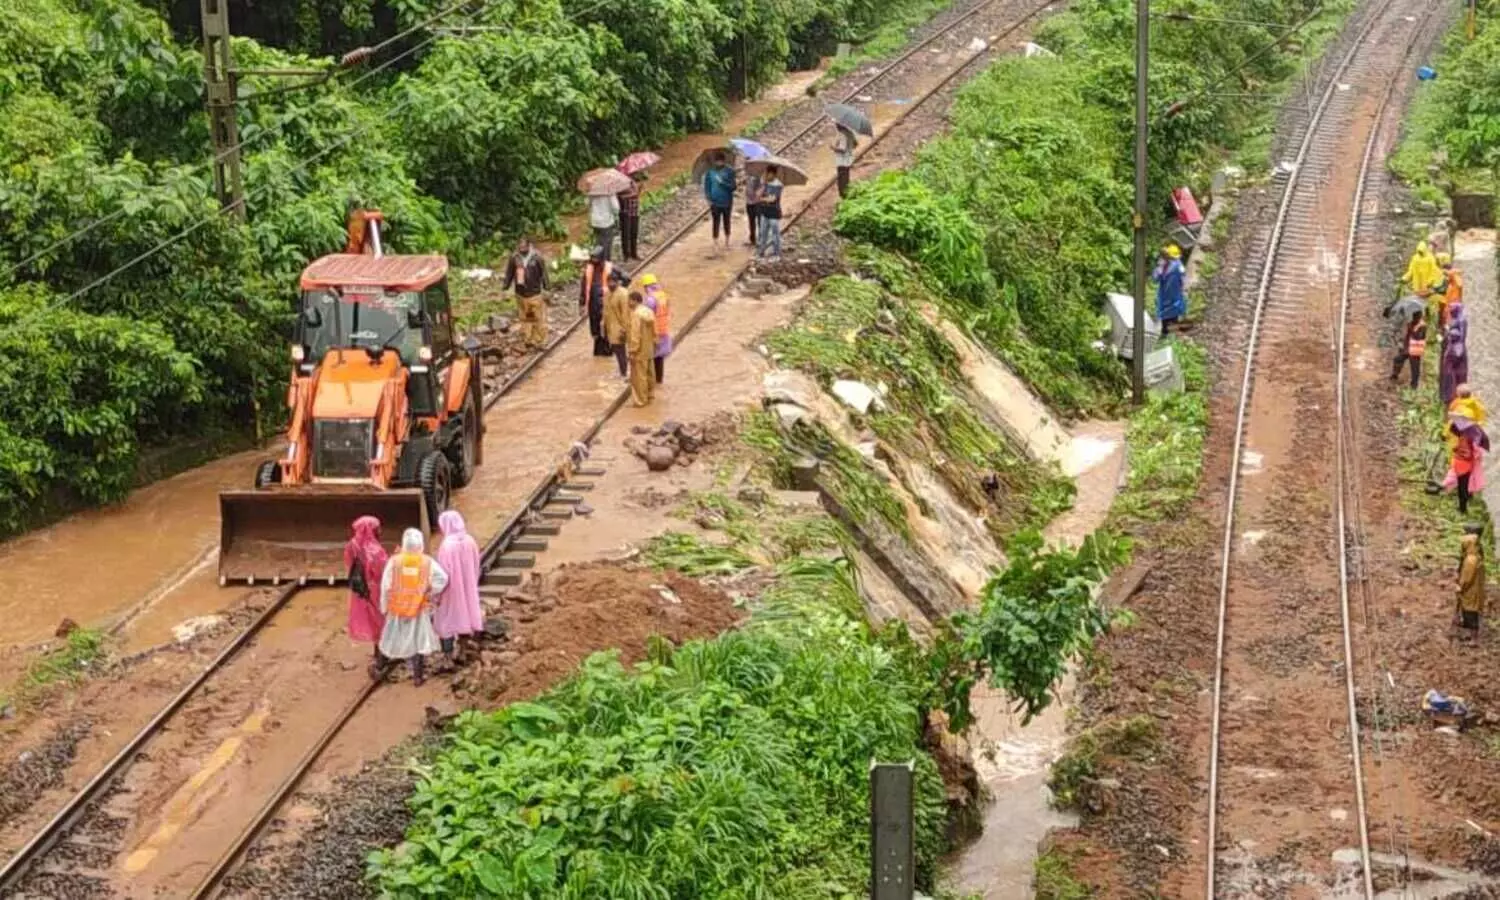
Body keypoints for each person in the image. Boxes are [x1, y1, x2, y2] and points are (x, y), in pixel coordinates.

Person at [378, 528, 448, 686]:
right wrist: (431, 591)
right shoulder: (426, 562)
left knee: (390, 637)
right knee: (418, 641)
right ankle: (417, 677)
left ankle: (379, 665)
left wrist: (383, 606)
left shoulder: (394, 562)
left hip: (397, 608)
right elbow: (442, 578)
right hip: (418, 608)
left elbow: (385, 585)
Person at [433, 511, 482, 666]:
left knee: (445, 621)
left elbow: (443, 572)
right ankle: (462, 649)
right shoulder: (470, 541)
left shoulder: (446, 546)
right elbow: (477, 563)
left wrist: (436, 593)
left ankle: (447, 657)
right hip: (468, 586)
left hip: (451, 591)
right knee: (466, 615)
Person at [343, 515, 389, 679]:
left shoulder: (351, 546)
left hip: (360, 591)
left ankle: (378, 652)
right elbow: (383, 572)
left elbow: (348, 564)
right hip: (375, 590)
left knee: (370, 620)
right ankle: (381, 657)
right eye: (378, 528)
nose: (380, 531)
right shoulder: (376, 551)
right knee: (381, 621)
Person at [503, 237, 550, 349]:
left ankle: (542, 340)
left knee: (538, 317)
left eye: (524, 247)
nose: (522, 249)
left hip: (534, 293)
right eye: (520, 247)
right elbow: (509, 272)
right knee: (526, 317)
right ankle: (528, 339)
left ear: (529, 246)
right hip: (521, 293)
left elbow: (543, 273)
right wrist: (506, 285)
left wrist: (547, 286)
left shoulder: (537, 257)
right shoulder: (514, 258)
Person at [580, 247, 614, 357]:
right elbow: (583, 288)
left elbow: (626, 279)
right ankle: (598, 351)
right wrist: (581, 304)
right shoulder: (588, 270)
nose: (594, 260)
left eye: (596, 258)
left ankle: (607, 350)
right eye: (593, 258)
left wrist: (615, 291)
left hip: (606, 304)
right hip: (593, 305)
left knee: (606, 328)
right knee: (595, 329)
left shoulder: (610, 268)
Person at [627, 290, 657, 406]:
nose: (628, 303)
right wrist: (654, 343)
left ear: (634, 301)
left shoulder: (636, 315)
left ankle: (641, 400)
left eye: (629, 301)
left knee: (639, 377)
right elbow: (655, 331)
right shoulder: (649, 311)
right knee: (650, 373)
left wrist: (633, 350)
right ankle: (650, 395)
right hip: (649, 348)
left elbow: (635, 335)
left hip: (639, 350)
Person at [641, 273, 671, 384]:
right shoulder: (663, 295)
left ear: (646, 286)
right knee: (660, 357)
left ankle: (653, 381)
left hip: (654, 331)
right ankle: (659, 380)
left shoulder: (650, 300)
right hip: (664, 329)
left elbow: (646, 315)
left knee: (652, 356)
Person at [704, 153, 737, 251]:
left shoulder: (729, 171)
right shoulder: (710, 172)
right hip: (715, 202)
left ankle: (727, 241)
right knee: (716, 221)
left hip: (727, 201)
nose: (719, 163)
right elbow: (707, 187)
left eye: (720, 161)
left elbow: (733, 187)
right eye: (717, 161)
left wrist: (722, 183)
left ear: (723, 161)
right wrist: (708, 199)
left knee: (727, 221)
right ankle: (715, 242)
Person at [1456, 528, 1486, 636]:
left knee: (1470, 612)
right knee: (1471, 611)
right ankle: (1470, 634)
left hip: (1470, 590)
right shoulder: (1476, 557)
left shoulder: (1470, 560)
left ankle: (1473, 637)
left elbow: (1467, 577)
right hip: (1475, 589)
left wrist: (1461, 586)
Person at [604, 268, 632, 379]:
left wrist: (625, 329)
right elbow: (605, 311)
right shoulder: (607, 294)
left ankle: (624, 373)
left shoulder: (623, 294)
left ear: (618, 282)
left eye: (613, 282)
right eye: (609, 282)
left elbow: (625, 313)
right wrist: (604, 326)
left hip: (619, 328)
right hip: (611, 327)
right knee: (617, 351)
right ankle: (623, 371)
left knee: (620, 351)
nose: (611, 284)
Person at [1152, 244, 1187, 335]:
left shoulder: (1164, 267)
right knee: (1174, 315)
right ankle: (1171, 333)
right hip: (1175, 296)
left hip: (1166, 296)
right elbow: (1183, 278)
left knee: (1166, 318)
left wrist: (1159, 267)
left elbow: (1155, 279)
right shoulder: (1179, 265)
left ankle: (1166, 334)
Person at [1389, 309, 1426, 389]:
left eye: (1415, 317)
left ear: (1418, 317)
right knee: (1397, 359)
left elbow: (1419, 337)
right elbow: (1407, 335)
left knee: (1415, 369)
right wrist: (1403, 345)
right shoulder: (1411, 323)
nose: (1413, 319)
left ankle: (1414, 385)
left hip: (1415, 350)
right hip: (1408, 348)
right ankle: (1395, 374)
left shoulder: (1422, 325)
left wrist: (1412, 329)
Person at [1441, 301, 1469, 406]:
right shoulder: (1457, 319)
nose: (1450, 312)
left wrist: (1450, 332)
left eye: (1452, 310)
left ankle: (1454, 396)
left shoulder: (1461, 321)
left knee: (1454, 374)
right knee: (1451, 374)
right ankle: (1450, 395)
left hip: (1455, 351)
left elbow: (1461, 336)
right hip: (1453, 349)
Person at [757, 165, 784, 261]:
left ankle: (777, 253)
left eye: (769, 174)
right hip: (765, 211)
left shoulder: (778, 185)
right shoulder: (765, 184)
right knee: (763, 233)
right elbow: (757, 195)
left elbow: (772, 199)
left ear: (773, 174)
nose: (767, 175)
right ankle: (760, 253)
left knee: (775, 234)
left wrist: (763, 199)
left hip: (774, 212)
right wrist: (763, 185)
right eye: (766, 174)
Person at [619, 173, 644, 262]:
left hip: (634, 211)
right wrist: (634, 194)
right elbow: (620, 197)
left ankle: (634, 253)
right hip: (626, 212)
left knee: (634, 233)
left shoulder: (633, 182)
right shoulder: (622, 185)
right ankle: (626, 255)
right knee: (626, 234)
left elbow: (636, 195)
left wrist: (639, 190)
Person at [589, 191, 620, 261]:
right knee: (606, 245)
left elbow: (588, 204)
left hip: (595, 221)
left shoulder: (593, 191)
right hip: (606, 222)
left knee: (598, 243)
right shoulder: (609, 191)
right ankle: (605, 263)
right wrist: (615, 214)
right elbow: (616, 208)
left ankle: (597, 262)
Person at [1438, 252, 1463, 327]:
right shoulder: (1451, 282)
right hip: (1451, 304)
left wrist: (1449, 274)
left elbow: (1459, 285)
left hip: (1453, 305)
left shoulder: (1454, 278)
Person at [833, 125, 857, 198]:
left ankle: (844, 196)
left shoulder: (842, 135)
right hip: (848, 159)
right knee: (846, 178)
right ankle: (847, 193)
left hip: (842, 161)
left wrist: (833, 148)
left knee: (842, 181)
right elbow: (855, 144)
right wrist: (849, 148)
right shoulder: (850, 133)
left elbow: (842, 149)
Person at [744, 168, 763, 248]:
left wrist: (758, 194)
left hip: (757, 202)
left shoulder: (758, 176)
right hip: (749, 202)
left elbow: (761, 187)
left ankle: (761, 239)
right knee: (751, 221)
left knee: (759, 221)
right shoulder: (747, 175)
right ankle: (752, 239)